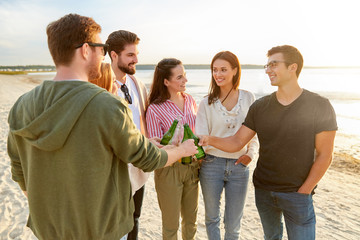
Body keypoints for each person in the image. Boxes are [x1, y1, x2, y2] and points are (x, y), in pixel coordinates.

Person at [7, 14, 198, 240]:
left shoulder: (22, 105)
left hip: (48, 228)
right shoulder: (107, 105)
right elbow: (148, 159)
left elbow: (18, 170)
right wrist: (182, 151)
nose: (103, 56)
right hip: (101, 229)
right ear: (86, 50)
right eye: (101, 49)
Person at [199, 45, 337, 240]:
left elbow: (325, 155)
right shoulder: (260, 106)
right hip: (264, 192)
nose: (268, 70)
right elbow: (237, 141)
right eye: (267, 65)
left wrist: (304, 191)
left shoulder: (319, 105)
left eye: (274, 64)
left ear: (293, 67)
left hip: (297, 194)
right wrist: (209, 139)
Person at [195, 51, 259, 239]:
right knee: (212, 219)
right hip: (211, 164)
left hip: (240, 166)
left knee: (233, 224)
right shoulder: (206, 102)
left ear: (235, 70)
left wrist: (250, 155)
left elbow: (254, 133)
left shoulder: (248, 98)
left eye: (223, 69)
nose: (218, 74)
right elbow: (202, 138)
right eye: (215, 70)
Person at [146, 58, 199, 240]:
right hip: (169, 170)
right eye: (180, 77)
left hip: (193, 167)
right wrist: (178, 147)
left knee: (191, 221)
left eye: (184, 75)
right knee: (171, 225)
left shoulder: (191, 100)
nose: (185, 80)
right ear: (166, 82)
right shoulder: (155, 109)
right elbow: (157, 148)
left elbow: (198, 131)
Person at [106, 30, 149, 240]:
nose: (136, 60)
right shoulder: (99, 84)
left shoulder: (138, 85)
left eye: (136, 54)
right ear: (114, 55)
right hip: (112, 168)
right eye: (130, 55)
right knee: (113, 221)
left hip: (138, 165)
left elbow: (144, 120)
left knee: (134, 218)